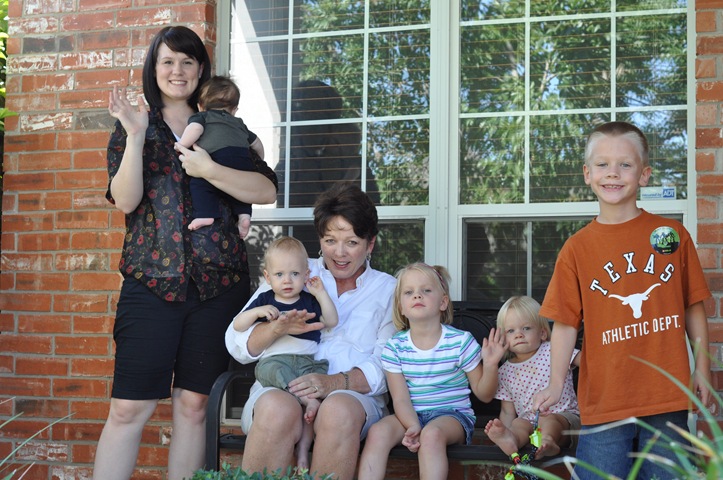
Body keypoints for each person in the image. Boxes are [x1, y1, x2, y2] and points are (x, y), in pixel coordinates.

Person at [95, 25, 277, 480]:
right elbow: (126, 201)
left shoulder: (222, 121)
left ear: (201, 69)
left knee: (195, 406)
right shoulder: (136, 124)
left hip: (218, 285)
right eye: (168, 61)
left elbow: (265, 189)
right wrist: (136, 136)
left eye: (188, 61)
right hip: (151, 283)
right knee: (128, 408)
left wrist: (209, 168)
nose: (178, 70)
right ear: (154, 68)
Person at [532, 121, 712, 480]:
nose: (612, 173)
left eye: (625, 165)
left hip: (667, 394)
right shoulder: (577, 249)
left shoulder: (670, 235)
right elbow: (565, 324)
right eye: (602, 164)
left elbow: (692, 305)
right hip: (605, 400)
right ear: (587, 174)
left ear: (644, 174)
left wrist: (702, 369)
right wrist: (555, 382)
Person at [225, 182, 396, 479]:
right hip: (283, 386)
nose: (339, 253)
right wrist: (275, 329)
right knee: (276, 408)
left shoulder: (388, 290)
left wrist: (333, 383)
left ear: (370, 244)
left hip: (353, 397)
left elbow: (388, 365)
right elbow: (236, 342)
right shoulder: (294, 271)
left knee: (338, 410)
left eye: (352, 242)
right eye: (330, 240)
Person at [357, 263, 505, 480]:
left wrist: (490, 365)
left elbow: (485, 395)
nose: (417, 295)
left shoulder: (460, 342)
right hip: (410, 414)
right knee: (378, 432)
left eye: (426, 290)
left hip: (452, 417)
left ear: (443, 302)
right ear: (401, 307)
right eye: (409, 292)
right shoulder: (395, 347)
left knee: (431, 434)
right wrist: (412, 426)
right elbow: (400, 399)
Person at [231, 235, 338, 468]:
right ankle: (306, 398)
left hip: (306, 363)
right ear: (267, 277)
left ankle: (303, 451)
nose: (287, 280)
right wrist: (257, 312)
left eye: (295, 274)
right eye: (279, 274)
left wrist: (321, 294)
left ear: (306, 275)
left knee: (312, 410)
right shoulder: (265, 299)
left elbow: (331, 321)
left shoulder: (309, 300)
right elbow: (238, 325)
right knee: (270, 370)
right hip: (276, 362)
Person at [484, 295, 580, 460]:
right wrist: (505, 429)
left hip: (565, 418)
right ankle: (512, 440)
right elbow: (507, 411)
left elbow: (588, 362)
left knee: (550, 421)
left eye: (526, 328)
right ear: (503, 339)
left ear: (542, 333)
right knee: (518, 423)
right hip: (529, 422)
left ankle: (548, 442)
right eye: (511, 331)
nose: (519, 335)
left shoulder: (554, 350)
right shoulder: (504, 371)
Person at [175, 75, 264, 238]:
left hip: (217, 157)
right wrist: (259, 158)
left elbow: (195, 129)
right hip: (243, 160)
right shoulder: (239, 123)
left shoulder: (202, 116)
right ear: (234, 109)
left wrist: (181, 145)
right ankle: (244, 215)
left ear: (200, 106)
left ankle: (205, 214)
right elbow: (256, 143)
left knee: (199, 182)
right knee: (240, 188)